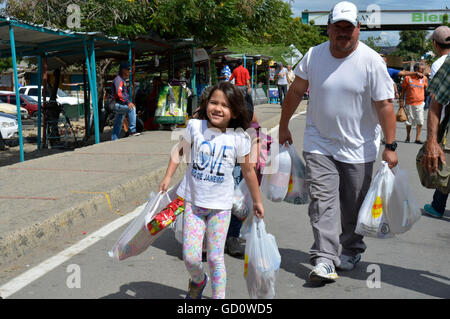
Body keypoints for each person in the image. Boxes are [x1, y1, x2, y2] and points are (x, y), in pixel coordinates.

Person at [279, 1, 398, 283]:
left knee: (353, 205)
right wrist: (283, 126)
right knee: (322, 201)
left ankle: (352, 248)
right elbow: (296, 91)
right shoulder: (313, 55)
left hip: (360, 146)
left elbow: (384, 105)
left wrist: (390, 146)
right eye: (338, 27)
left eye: (349, 28)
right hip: (319, 141)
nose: (343, 33)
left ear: (359, 29)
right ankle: (324, 259)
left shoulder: (371, 61)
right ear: (329, 28)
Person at [159, 81, 264, 299]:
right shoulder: (195, 127)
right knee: (190, 257)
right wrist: (168, 177)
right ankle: (198, 280)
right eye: (213, 102)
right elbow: (179, 152)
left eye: (225, 105)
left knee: (216, 259)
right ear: (206, 104)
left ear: (234, 111)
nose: (217, 108)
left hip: (221, 208)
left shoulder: (240, 139)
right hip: (194, 204)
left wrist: (257, 201)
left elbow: (248, 171)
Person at [422, 26, 450, 219]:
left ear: (434, 44)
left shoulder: (439, 63)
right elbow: (437, 101)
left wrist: (433, 139)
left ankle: (438, 206)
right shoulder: (446, 64)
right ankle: (438, 205)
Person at [400, 63, 428, 144]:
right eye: (421, 69)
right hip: (409, 103)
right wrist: (401, 101)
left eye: (423, 69)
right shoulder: (408, 78)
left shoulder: (424, 79)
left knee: (420, 121)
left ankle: (417, 138)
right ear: (416, 70)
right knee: (409, 121)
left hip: (420, 103)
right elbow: (402, 90)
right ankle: (408, 137)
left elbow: (426, 88)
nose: (423, 71)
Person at [111, 62, 139, 140]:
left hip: (119, 104)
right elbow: (119, 93)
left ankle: (114, 139)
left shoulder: (122, 80)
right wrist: (128, 102)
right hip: (115, 104)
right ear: (123, 70)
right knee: (132, 108)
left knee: (118, 123)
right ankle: (132, 131)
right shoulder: (118, 79)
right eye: (128, 69)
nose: (129, 71)